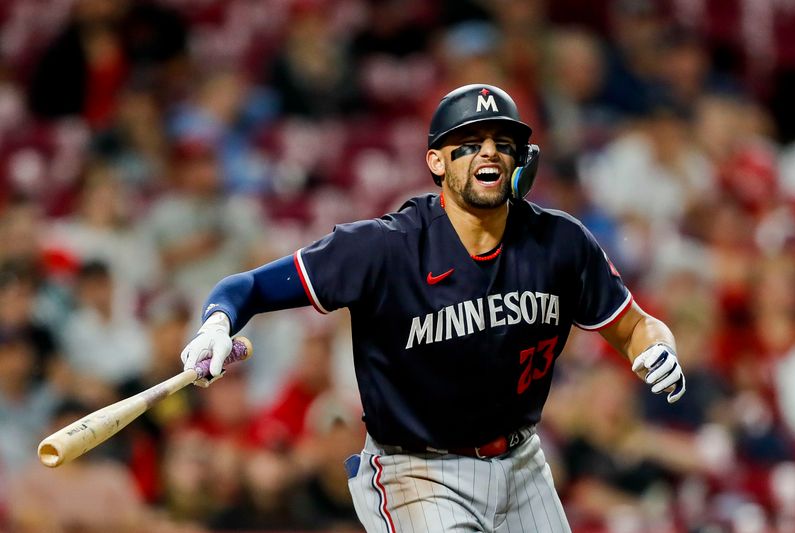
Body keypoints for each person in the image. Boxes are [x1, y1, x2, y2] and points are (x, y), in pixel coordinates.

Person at [181, 84, 686, 532]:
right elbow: (246, 286)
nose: (488, 153)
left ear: (521, 161)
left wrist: (657, 348)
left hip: (522, 464)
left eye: (502, 144)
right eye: (469, 144)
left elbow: (634, 325)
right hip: (416, 471)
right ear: (437, 162)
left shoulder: (560, 243)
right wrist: (215, 326)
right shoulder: (384, 249)